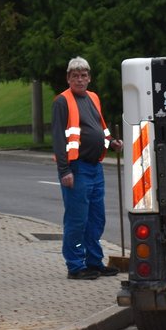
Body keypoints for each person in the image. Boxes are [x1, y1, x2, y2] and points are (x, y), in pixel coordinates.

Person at [52, 56, 123, 280]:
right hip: (77, 168)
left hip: (95, 168)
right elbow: (58, 139)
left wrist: (111, 143)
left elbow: (100, 128)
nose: (80, 80)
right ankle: (75, 265)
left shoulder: (93, 98)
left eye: (83, 76)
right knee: (77, 219)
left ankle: (94, 261)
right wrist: (65, 171)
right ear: (68, 78)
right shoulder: (62, 102)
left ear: (89, 78)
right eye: (75, 76)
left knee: (96, 218)